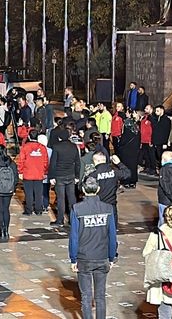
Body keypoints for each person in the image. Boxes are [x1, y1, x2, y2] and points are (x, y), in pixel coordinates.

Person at [69, 177, 117, 319]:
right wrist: (112, 256)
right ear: (98, 189)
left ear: (83, 190)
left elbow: (74, 236)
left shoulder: (77, 209)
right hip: (102, 257)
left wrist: (73, 259)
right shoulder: (108, 208)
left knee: (86, 296)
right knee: (100, 296)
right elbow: (112, 235)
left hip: (84, 257)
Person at [86, 153, 130, 228]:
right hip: (111, 205)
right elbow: (127, 173)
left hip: (98, 206)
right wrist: (119, 163)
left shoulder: (93, 175)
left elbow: (85, 188)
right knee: (112, 230)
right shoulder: (114, 172)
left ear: (95, 161)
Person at [48, 129, 81, 227]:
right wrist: (77, 176)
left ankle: (60, 220)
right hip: (71, 175)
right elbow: (77, 162)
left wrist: (52, 176)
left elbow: (53, 163)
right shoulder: (74, 146)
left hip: (59, 176)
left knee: (61, 199)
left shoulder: (57, 147)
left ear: (60, 137)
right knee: (72, 198)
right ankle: (73, 220)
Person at [0, 144, 19, 241]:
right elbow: (16, 177)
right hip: (9, 190)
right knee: (6, 209)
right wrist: (13, 188)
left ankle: (1, 230)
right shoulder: (12, 163)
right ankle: (6, 230)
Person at [18, 129, 49, 216]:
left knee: (28, 193)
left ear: (29, 136)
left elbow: (21, 160)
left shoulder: (25, 147)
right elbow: (46, 161)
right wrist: (45, 172)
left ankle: (29, 210)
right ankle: (38, 210)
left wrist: (20, 171)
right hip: (39, 173)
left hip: (28, 173)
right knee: (39, 193)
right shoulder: (42, 148)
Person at [118, 113, 141, 189]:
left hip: (126, 152)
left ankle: (126, 181)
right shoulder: (137, 132)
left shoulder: (127, 132)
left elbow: (122, 142)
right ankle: (133, 182)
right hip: (134, 152)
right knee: (133, 166)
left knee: (126, 166)